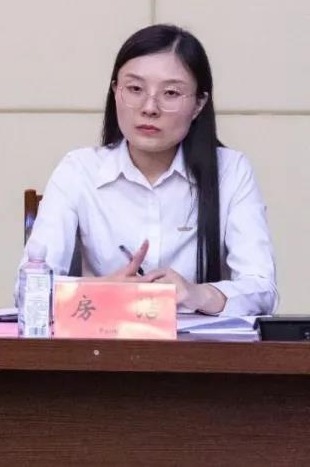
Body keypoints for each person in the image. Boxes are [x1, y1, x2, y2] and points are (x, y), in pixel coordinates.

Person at [22, 24, 277, 316]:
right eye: (135, 89)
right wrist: (103, 289)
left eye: (170, 93)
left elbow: (262, 289)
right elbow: (28, 290)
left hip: (198, 343)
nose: (149, 107)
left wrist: (197, 294)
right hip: (103, 340)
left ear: (198, 104)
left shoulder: (231, 172)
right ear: (115, 91)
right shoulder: (78, 170)